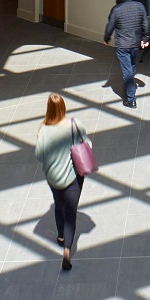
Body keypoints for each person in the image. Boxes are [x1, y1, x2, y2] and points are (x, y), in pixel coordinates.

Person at [35, 92, 87, 271]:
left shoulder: (43, 130)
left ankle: (60, 237)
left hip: (53, 178)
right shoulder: (74, 124)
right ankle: (67, 250)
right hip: (73, 177)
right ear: (63, 107)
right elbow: (87, 144)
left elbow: (38, 155)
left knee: (59, 206)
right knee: (71, 214)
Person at [104, 0, 149, 107]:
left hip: (123, 45)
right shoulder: (140, 6)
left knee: (127, 71)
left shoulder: (117, 9)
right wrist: (145, 39)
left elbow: (110, 25)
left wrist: (107, 38)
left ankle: (131, 98)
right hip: (135, 43)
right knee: (131, 65)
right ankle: (129, 84)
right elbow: (145, 23)